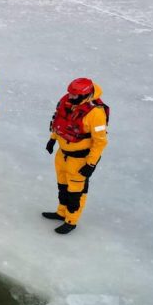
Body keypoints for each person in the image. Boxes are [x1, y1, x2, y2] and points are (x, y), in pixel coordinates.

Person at [43, 78, 110, 234]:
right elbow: (59, 122)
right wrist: (52, 140)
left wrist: (90, 164)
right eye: (70, 94)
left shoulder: (96, 113)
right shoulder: (68, 103)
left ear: (85, 95)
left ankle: (71, 220)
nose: (70, 97)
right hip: (62, 154)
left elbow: (100, 142)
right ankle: (61, 212)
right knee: (63, 186)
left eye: (74, 95)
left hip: (79, 159)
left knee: (75, 192)